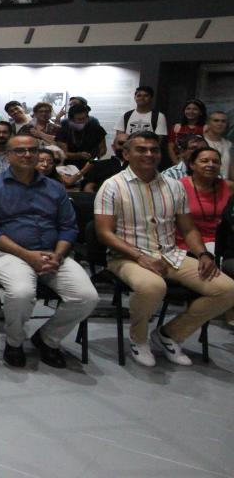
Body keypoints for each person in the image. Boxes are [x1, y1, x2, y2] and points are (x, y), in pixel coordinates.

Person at [94, 131, 234, 367]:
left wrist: (202, 254)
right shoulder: (112, 186)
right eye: (141, 149)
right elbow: (104, 233)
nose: (149, 154)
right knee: (152, 286)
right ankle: (138, 338)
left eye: (154, 149)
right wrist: (141, 257)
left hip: (170, 254)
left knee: (227, 289)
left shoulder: (174, 186)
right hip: (126, 257)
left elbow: (188, 228)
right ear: (126, 154)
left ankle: (169, 334)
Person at [0, 134, 98, 368]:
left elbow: (68, 227)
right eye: (20, 151)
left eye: (32, 150)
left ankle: (47, 339)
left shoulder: (55, 188)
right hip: (10, 254)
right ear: (9, 156)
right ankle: (14, 342)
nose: (27, 155)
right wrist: (27, 255)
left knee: (86, 297)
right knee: (21, 293)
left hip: (53, 254)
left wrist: (59, 254)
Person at [55, 104, 107, 168]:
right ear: (71, 120)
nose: (83, 121)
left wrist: (96, 158)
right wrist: (78, 155)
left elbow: (103, 149)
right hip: (69, 166)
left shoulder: (96, 128)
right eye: (79, 119)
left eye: (85, 118)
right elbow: (63, 153)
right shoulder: (63, 130)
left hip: (91, 164)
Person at [168, 98, 207, 165]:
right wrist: (176, 162)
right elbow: (170, 147)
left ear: (201, 112)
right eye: (188, 109)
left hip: (198, 163)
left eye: (195, 109)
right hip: (179, 162)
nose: (191, 111)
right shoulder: (177, 127)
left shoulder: (205, 128)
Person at [202, 110, 233, 180]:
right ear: (208, 123)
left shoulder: (229, 145)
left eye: (223, 121)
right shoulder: (200, 142)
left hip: (225, 186)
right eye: (216, 120)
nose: (220, 124)